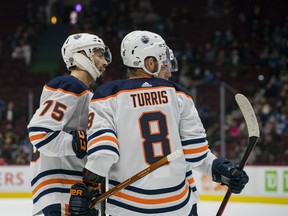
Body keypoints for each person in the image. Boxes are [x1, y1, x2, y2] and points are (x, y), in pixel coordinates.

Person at [69, 30, 249, 216]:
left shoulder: (107, 95)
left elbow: (102, 153)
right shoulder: (179, 94)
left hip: (128, 208)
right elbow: (197, 154)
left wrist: (88, 188)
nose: (169, 71)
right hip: (177, 207)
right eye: (163, 62)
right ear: (149, 62)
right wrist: (223, 171)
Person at [27, 33, 112, 216]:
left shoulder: (82, 91)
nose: (105, 62)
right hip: (64, 190)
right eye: (99, 54)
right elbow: (40, 132)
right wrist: (83, 143)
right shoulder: (70, 85)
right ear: (82, 55)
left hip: (68, 191)